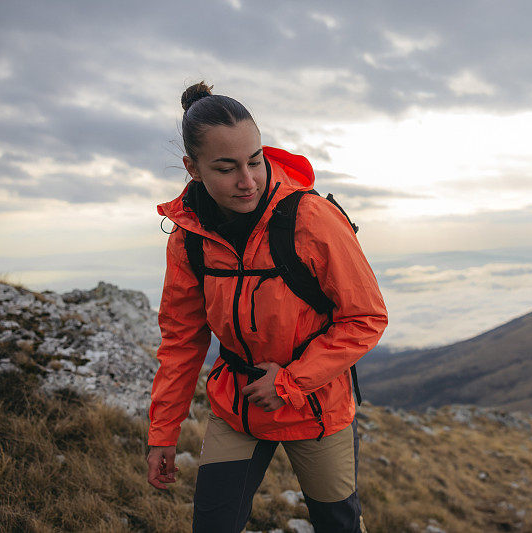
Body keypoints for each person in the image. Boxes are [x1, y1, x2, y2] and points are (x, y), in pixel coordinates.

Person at [146, 81, 388, 533]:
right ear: (192, 169)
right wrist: (163, 432)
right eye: (226, 168)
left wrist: (292, 381)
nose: (248, 180)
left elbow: (366, 317)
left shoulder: (310, 218)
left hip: (316, 404)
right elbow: (182, 338)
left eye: (254, 160)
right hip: (237, 403)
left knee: (338, 524)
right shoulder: (189, 236)